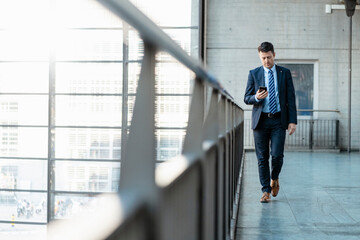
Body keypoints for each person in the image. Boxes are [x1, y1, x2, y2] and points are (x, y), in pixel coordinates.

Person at [244, 42, 297, 203]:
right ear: (259, 57)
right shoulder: (254, 73)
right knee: (262, 158)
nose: (266, 61)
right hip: (260, 122)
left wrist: (292, 121)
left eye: (268, 57)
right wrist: (256, 98)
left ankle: (275, 177)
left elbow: (291, 98)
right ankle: (266, 190)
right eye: (263, 58)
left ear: (274, 54)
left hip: (278, 121)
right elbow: (246, 98)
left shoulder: (284, 73)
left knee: (277, 156)